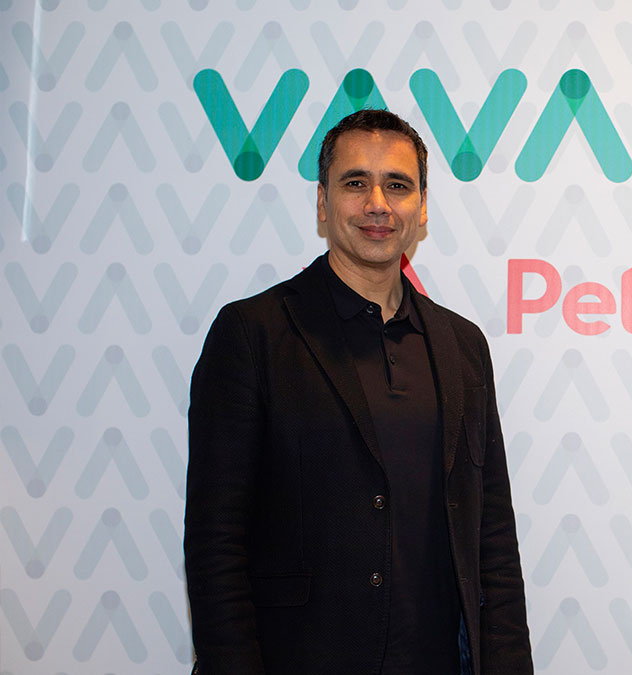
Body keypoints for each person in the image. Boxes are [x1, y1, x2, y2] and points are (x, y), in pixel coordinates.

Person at [184, 109, 534, 674]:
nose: (377, 203)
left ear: (422, 208)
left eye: (398, 185)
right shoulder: (253, 334)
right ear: (323, 204)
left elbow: (492, 538)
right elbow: (215, 543)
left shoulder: (462, 345)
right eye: (355, 183)